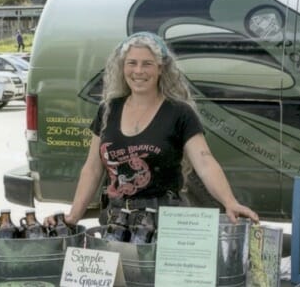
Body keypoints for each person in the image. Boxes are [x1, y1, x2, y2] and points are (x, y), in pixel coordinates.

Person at [47, 32, 258, 227]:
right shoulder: (108, 110)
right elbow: (92, 169)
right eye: (132, 63)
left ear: (160, 68)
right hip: (116, 220)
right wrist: (73, 216)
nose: (138, 71)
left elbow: (204, 161)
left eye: (147, 64)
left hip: (165, 219)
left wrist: (230, 202)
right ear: (122, 67)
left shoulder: (179, 112)